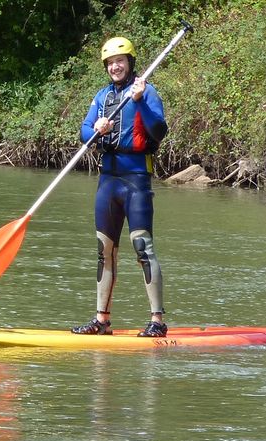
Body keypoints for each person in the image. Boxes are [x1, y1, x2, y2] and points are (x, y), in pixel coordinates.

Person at [72, 36, 169, 338]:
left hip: (136, 180)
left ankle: (157, 321)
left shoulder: (145, 92)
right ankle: (101, 320)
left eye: (120, 61)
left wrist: (139, 102)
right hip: (108, 182)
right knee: (105, 251)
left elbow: (159, 130)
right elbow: (83, 131)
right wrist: (96, 129)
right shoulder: (101, 98)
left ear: (130, 63)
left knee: (143, 247)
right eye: (111, 63)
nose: (115, 66)